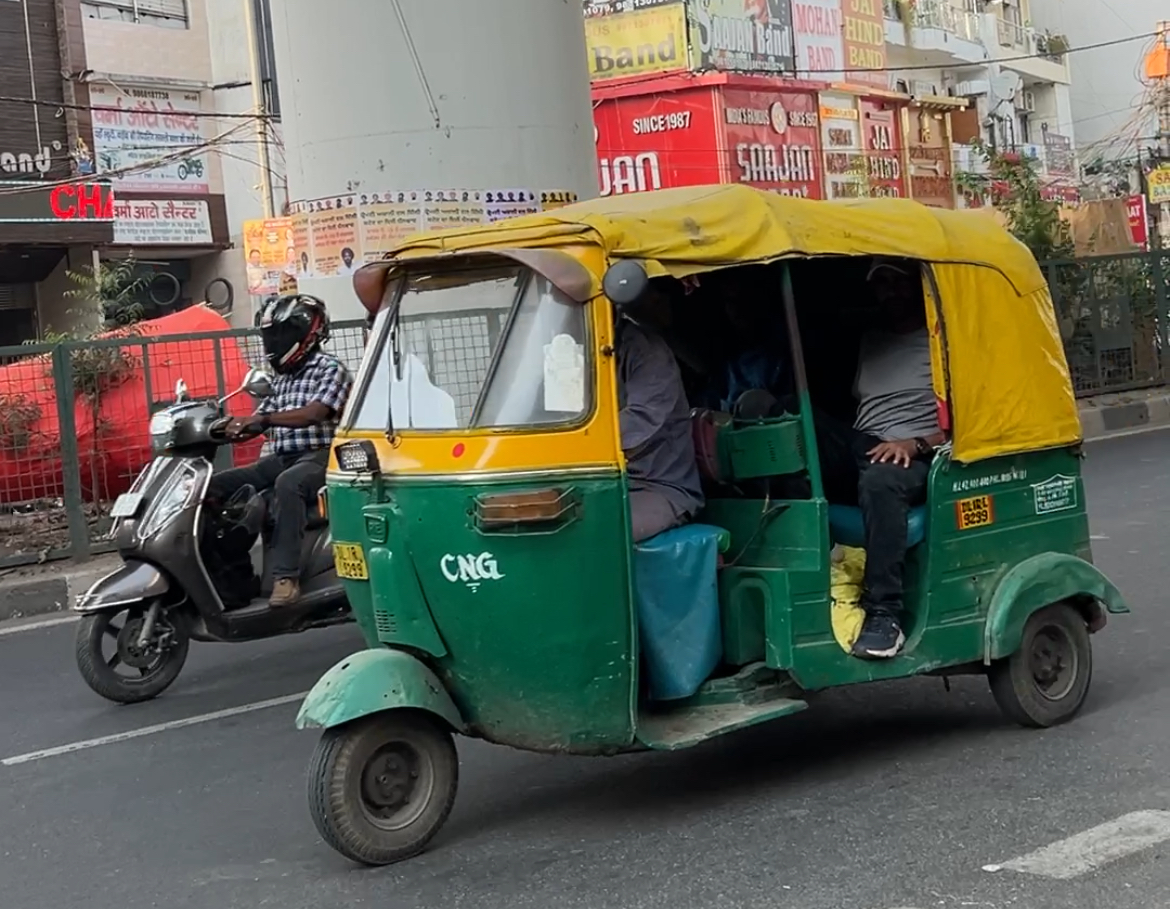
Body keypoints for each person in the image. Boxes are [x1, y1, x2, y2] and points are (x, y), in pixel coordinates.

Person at [814, 259, 947, 660]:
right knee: (795, 427)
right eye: (881, 284)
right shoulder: (871, 339)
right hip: (866, 443)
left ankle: (884, 614)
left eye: (897, 281)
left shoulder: (941, 339)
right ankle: (826, 571)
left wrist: (915, 444)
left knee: (880, 481)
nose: (890, 291)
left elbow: (971, 420)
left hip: (916, 454)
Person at [208, 294, 353, 608]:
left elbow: (315, 413)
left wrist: (263, 418)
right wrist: (228, 426)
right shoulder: (282, 379)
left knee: (289, 483)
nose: (274, 342)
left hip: (321, 454)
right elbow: (261, 420)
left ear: (308, 333)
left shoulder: (330, 369)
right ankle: (232, 573)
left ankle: (286, 579)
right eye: (271, 335)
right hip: (283, 457)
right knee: (214, 487)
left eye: (281, 334)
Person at [616, 288, 704, 543]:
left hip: (657, 486)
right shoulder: (568, 353)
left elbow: (642, 421)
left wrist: (577, 444)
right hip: (609, 485)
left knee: (604, 531)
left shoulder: (646, 352)